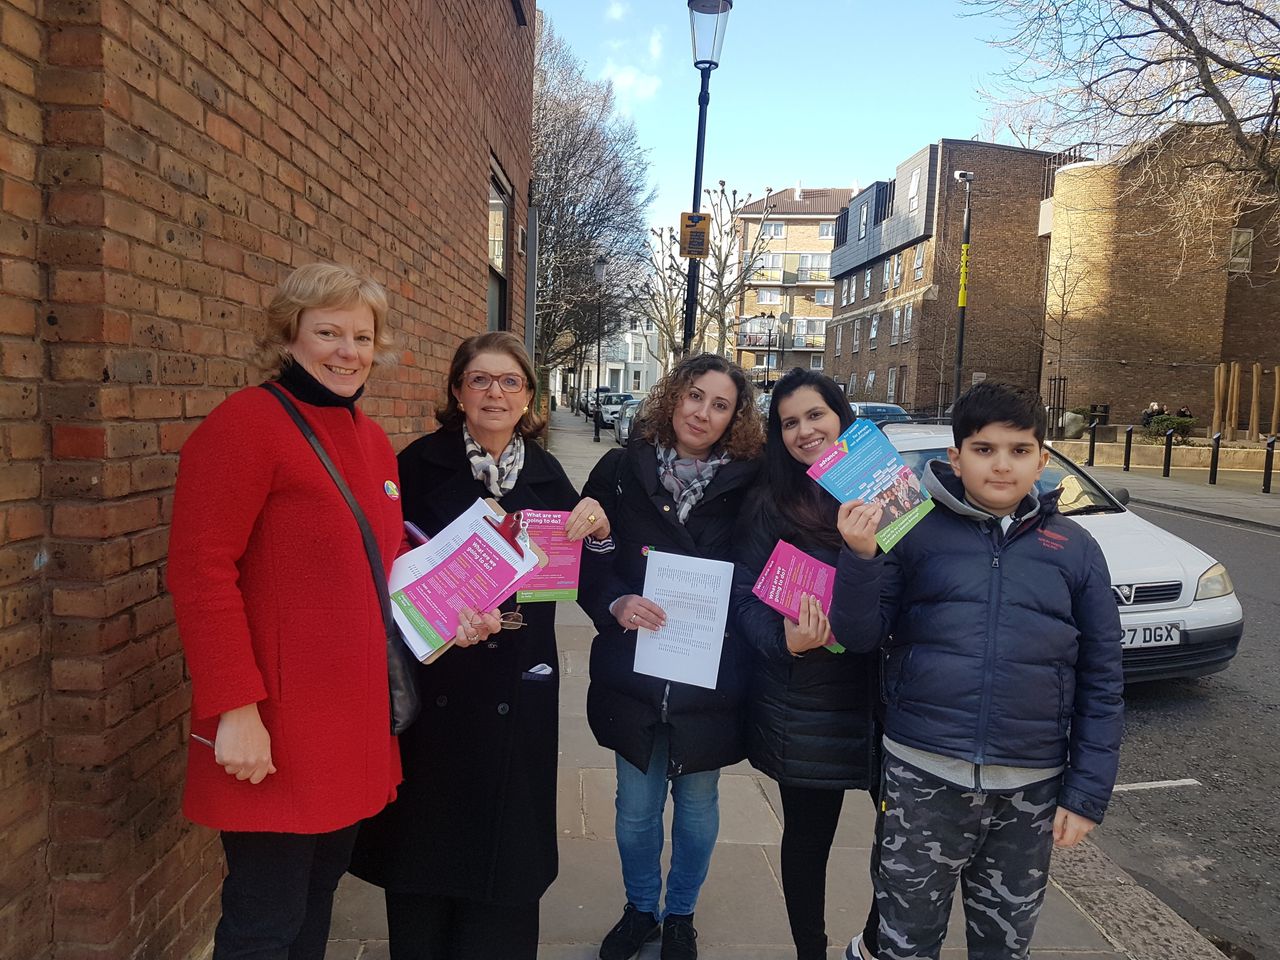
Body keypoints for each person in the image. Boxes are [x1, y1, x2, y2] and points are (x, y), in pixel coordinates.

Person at [168, 263, 423, 959]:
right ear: (289, 338)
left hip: (353, 720)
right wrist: (235, 709)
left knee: (316, 906)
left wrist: (456, 608)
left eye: (362, 336)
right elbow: (200, 572)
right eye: (329, 333)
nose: (348, 351)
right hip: (275, 724)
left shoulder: (369, 439)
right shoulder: (246, 425)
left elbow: (386, 566)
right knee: (263, 921)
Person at [829, 380, 1124, 960]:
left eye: (1019, 450)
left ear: (1043, 458)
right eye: (984, 449)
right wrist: (859, 558)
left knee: (1004, 946)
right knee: (905, 942)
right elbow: (858, 636)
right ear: (955, 458)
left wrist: (1087, 792)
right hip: (923, 775)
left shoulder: (1076, 547)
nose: (1002, 466)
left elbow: (1102, 678)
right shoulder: (909, 529)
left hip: (1030, 788)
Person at [348, 332, 611, 960]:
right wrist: (437, 617)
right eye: (480, 380)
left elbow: (583, 583)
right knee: (427, 857)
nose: (495, 393)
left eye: (510, 382)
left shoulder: (550, 477)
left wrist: (598, 532)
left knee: (507, 866)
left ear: (529, 397)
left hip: (519, 685)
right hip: (437, 682)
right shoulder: (412, 468)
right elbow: (382, 574)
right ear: (458, 392)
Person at [580, 353, 764, 960]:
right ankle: (640, 909)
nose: (703, 413)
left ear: (735, 418)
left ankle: (680, 913)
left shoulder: (752, 482)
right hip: (634, 668)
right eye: (694, 396)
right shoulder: (618, 469)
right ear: (672, 397)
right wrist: (614, 602)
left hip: (708, 676)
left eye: (720, 405)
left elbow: (770, 559)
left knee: (697, 805)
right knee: (635, 809)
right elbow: (587, 558)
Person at [730, 369, 880, 960]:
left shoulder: (883, 489)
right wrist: (782, 641)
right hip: (808, 701)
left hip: (887, 702)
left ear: (840, 416)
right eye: (789, 422)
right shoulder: (770, 502)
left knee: (901, 845)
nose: (804, 431)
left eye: (815, 414)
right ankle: (809, 952)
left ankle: (873, 944)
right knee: (809, 843)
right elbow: (743, 598)